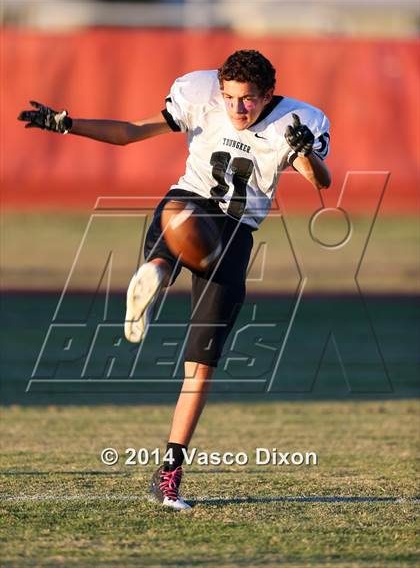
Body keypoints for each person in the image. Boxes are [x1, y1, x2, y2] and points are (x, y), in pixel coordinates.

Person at [18, 49, 331, 511]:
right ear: (217, 90)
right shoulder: (198, 93)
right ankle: (152, 278)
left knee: (201, 366)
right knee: (181, 220)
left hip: (236, 232)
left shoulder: (299, 120)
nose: (235, 109)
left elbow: (319, 179)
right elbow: (131, 133)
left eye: (247, 100)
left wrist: (303, 149)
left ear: (267, 95)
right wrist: (69, 123)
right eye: (228, 97)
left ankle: (169, 473)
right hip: (191, 202)